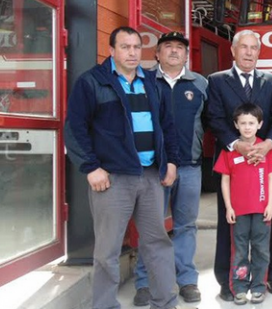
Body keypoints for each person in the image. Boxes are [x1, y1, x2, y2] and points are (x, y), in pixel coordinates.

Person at [64, 26, 190, 309]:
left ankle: (165, 303)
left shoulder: (151, 83)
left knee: (157, 243)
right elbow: (75, 129)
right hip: (112, 179)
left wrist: (171, 161)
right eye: (125, 47)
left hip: (149, 176)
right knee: (107, 250)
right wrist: (91, 167)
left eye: (136, 47)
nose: (132, 53)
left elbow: (168, 127)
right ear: (111, 50)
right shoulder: (93, 82)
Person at [205, 30, 272, 300]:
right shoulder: (217, 81)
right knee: (230, 223)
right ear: (233, 50)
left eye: (254, 48)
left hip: (263, 164)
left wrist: (268, 144)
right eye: (244, 48)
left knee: (268, 218)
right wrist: (235, 143)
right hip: (233, 164)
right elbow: (214, 118)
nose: (249, 53)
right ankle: (228, 280)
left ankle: (270, 276)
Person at [132, 31, 207, 306]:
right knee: (151, 227)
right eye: (168, 47)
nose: (174, 51)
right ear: (157, 53)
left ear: (187, 55)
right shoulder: (144, 81)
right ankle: (144, 282)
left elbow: (208, 121)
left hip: (189, 166)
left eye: (179, 48)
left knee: (186, 225)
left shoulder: (199, 83)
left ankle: (186, 279)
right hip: (153, 168)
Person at [213, 103, 272, 305]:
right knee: (240, 250)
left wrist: (269, 205)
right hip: (239, 212)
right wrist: (229, 207)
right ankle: (240, 287)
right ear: (236, 125)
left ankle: (259, 287)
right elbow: (224, 180)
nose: (247, 127)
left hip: (261, 211)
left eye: (252, 123)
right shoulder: (229, 151)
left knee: (261, 249)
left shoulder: (265, 149)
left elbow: (271, 178)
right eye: (243, 123)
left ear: (260, 124)